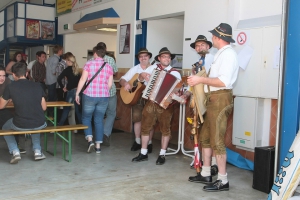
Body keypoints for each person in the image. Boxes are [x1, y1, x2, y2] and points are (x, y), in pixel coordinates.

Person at [187, 23, 239, 191]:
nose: (211, 39)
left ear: (218, 38)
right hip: (213, 98)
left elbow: (223, 81)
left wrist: (200, 80)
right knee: (206, 137)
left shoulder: (228, 55)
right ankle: (206, 173)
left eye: (212, 37)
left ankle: (223, 181)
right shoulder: (221, 54)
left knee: (217, 141)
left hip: (220, 99)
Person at [132, 47, 182, 165]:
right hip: (151, 101)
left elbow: (178, 89)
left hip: (166, 105)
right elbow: (139, 79)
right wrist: (142, 75)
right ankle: (143, 153)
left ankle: (162, 154)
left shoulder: (175, 73)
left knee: (165, 129)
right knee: (145, 127)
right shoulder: (152, 68)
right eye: (164, 57)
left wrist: (175, 92)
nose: (166, 59)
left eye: (168, 57)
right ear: (159, 58)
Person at [181, 35, 218, 180]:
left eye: (202, 45)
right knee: (203, 133)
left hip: (213, 99)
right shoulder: (196, 64)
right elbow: (192, 84)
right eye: (197, 46)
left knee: (213, 134)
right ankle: (204, 163)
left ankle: (214, 164)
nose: (200, 47)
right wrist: (186, 94)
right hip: (200, 101)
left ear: (208, 46)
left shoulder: (214, 60)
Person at [0, 62, 47, 164]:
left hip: (20, 124)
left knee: (5, 127)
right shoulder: (38, 86)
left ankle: (15, 151)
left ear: (13, 75)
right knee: (36, 123)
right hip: (40, 123)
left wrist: (9, 99)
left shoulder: (11, 87)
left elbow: (1, 106)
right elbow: (44, 107)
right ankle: (37, 151)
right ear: (26, 73)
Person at [75, 45, 113, 154]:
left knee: (86, 117)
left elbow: (83, 79)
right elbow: (110, 84)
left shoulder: (88, 64)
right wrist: (103, 91)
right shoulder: (108, 66)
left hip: (90, 95)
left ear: (95, 53)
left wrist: (77, 93)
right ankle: (98, 146)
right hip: (104, 97)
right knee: (99, 119)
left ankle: (90, 140)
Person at [119, 48, 154, 152]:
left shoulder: (154, 69)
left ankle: (149, 143)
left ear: (149, 57)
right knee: (137, 119)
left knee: (150, 121)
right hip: (137, 97)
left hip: (150, 97)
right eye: (141, 56)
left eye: (145, 56)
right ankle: (137, 141)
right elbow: (122, 79)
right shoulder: (135, 69)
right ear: (139, 58)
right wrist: (125, 84)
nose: (143, 58)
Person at [96, 42, 118, 147]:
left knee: (99, 114)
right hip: (110, 91)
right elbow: (115, 72)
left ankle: (98, 135)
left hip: (97, 92)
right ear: (105, 49)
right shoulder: (111, 59)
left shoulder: (92, 60)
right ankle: (105, 133)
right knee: (111, 113)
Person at [57, 54, 82, 126]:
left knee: (66, 109)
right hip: (78, 91)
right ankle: (81, 127)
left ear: (68, 61)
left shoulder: (67, 70)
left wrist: (63, 88)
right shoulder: (77, 70)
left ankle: (60, 125)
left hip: (71, 91)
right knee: (78, 110)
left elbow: (59, 79)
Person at [46, 45, 63, 116]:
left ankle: (49, 113)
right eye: (62, 50)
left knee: (50, 97)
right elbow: (53, 71)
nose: (62, 51)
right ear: (59, 51)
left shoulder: (50, 58)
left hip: (48, 80)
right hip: (52, 80)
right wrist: (58, 73)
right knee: (52, 98)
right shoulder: (56, 59)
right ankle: (51, 114)